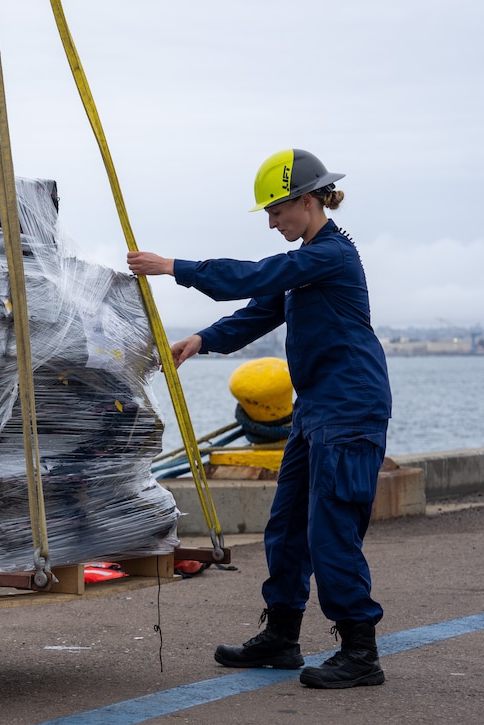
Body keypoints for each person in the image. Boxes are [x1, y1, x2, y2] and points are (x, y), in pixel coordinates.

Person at [127, 149, 392, 690]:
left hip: (350, 409)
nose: (273, 223)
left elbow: (253, 276)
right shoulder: (306, 266)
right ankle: (283, 637)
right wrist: (203, 339)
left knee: (331, 530)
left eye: (277, 212)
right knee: (288, 528)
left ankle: (361, 652)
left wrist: (175, 267)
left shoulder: (330, 256)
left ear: (309, 200)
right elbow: (259, 308)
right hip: (315, 409)